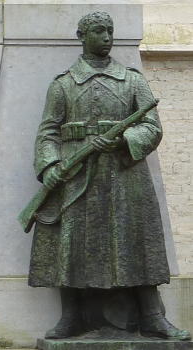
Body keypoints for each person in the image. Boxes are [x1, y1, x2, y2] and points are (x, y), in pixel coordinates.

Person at [29, 11, 190, 340]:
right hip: (77, 174)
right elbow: (47, 133)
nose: (106, 37)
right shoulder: (63, 84)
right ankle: (71, 317)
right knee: (69, 243)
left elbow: (152, 127)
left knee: (138, 241)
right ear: (82, 36)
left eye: (110, 31)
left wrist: (123, 140)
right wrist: (50, 167)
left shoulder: (133, 80)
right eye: (99, 31)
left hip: (124, 173)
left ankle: (152, 316)